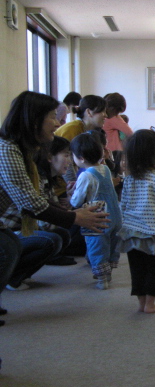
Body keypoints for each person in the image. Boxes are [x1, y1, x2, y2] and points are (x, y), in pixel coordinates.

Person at [0, 91, 108, 291]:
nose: (58, 124)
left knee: (12, 244)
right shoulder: (7, 149)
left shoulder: (22, 150)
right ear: (34, 121)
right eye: (52, 117)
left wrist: (72, 214)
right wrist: (74, 217)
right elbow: (28, 201)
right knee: (8, 246)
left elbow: (35, 197)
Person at [118, 129, 155, 314]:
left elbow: (123, 205)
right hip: (151, 234)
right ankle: (150, 304)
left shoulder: (129, 179)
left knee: (137, 269)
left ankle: (141, 303)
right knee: (153, 269)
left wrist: (124, 225)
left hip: (130, 232)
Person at [70, 132, 123, 290]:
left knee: (97, 246)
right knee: (111, 245)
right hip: (115, 214)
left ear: (81, 158)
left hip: (98, 216)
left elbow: (77, 200)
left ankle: (102, 279)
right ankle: (108, 272)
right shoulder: (105, 169)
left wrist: (70, 197)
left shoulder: (86, 175)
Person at [36, 135, 81, 265]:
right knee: (56, 238)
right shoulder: (39, 179)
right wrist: (76, 215)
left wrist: (71, 199)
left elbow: (58, 214)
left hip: (44, 229)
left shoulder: (49, 179)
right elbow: (46, 224)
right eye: (66, 155)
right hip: (16, 232)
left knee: (73, 233)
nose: (70, 161)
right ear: (50, 157)